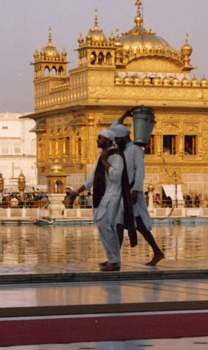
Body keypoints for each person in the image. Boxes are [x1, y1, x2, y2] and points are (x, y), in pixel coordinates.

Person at [69, 130, 135, 272]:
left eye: (100, 138)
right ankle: (112, 259)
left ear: (108, 140)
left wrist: (105, 161)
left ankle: (115, 261)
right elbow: (92, 178)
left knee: (107, 226)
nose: (97, 140)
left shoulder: (115, 155)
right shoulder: (102, 155)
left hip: (113, 195)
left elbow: (116, 175)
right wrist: (77, 191)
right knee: (102, 226)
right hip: (103, 195)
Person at [111, 110, 165, 266]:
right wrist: (124, 114)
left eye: (117, 139)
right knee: (122, 225)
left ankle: (156, 252)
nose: (115, 142)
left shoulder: (134, 150)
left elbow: (139, 171)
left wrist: (136, 190)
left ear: (123, 138)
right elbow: (113, 127)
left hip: (131, 193)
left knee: (129, 225)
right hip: (122, 193)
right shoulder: (123, 150)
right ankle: (115, 258)